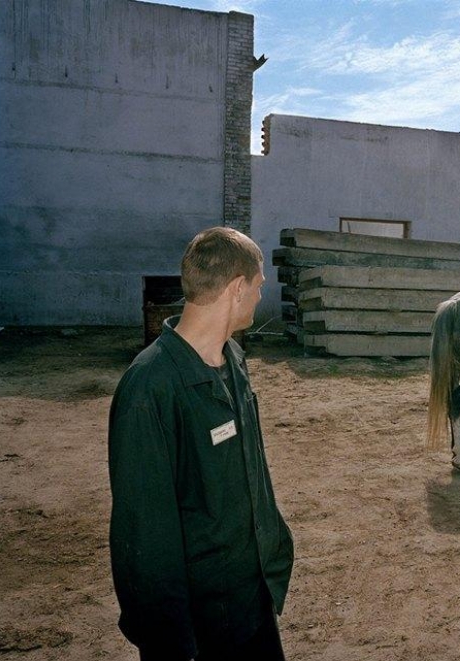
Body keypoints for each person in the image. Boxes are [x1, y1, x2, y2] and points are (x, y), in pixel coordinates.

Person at [108, 226, 294, 661]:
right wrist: (170, 642)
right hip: (198, 628)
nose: (259, 297)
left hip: (251, 604)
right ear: (236, 288)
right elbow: (143, 535)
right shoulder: (150, 386)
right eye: (259, 286)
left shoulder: (234, 361)